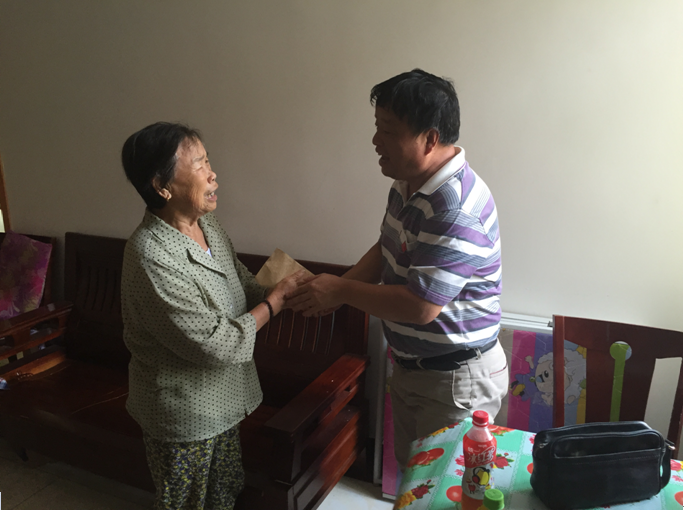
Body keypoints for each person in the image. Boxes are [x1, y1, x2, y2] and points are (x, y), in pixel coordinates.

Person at [287, 69, 508, 470]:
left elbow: (420, 306)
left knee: (440, 491)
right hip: (414, 368)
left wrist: (340, 291)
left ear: (430, 139)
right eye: (377, 127)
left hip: (455, 381)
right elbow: (387, 248)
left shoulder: (454, 206)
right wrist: (334, 292)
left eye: (387, 131)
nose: (376, 141)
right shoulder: (408, 184)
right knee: (414, 483)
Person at [120, 122, 301, 510]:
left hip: (224, 401)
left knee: (223, 494)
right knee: (187, 503)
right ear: (162, 186)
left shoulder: (207, 225)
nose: (212, 173)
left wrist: (285, 289)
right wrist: (274, 304)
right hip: (184, 415)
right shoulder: (151, 255)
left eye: (208, 161)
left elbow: (241, 283)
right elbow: (217, 344)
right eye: (199, 164)